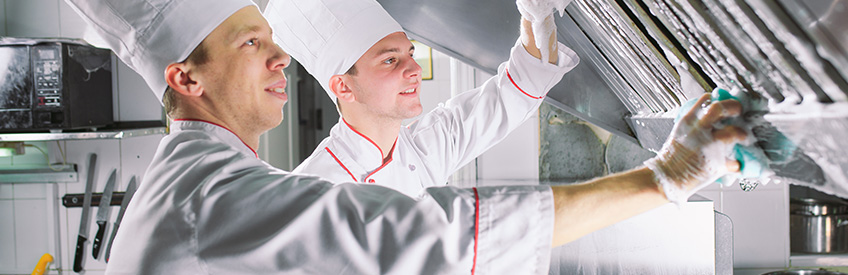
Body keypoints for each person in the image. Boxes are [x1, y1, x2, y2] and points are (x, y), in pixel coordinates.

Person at [65, 0, 747, 273]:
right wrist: (668, 175)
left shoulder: (418, 144)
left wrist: (537, 16)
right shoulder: (235, 198)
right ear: (186, 77)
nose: (278, 62)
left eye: (274, 43)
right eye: (251, 43)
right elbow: (439, 237)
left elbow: (507, 95)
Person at [267, 0, 576, 196]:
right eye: (390, 60)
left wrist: (538, 14)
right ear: (343, 87)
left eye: (410, 54)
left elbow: (519, 89)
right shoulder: (310, 194)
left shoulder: (425, 146)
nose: (414, 68)